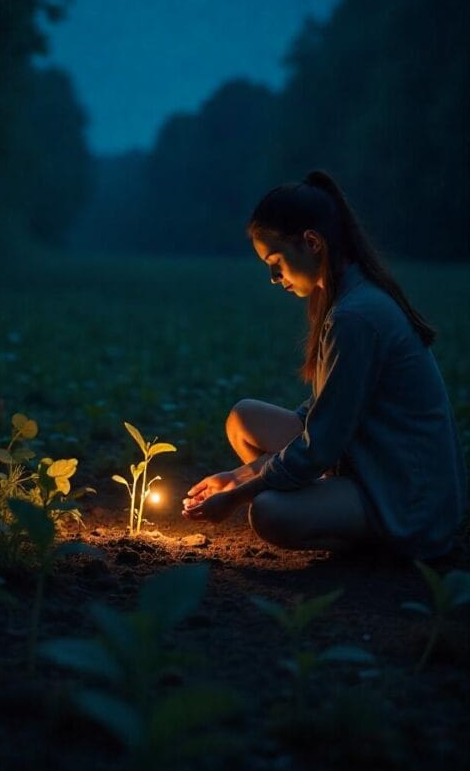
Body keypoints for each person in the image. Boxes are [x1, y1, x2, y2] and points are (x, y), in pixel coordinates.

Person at [182, 170, 467, 559]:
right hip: (368, 458)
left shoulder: (355, 316)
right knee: (243, 418)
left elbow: (322, 441)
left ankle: (370, 540)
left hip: (405, 493)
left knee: (269, 511)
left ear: (312, 242)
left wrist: (241, 496)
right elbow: (328, 413)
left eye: (275, 260)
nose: (272, 277)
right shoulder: (350, 299)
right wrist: (237, 477)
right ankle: (326, 502)